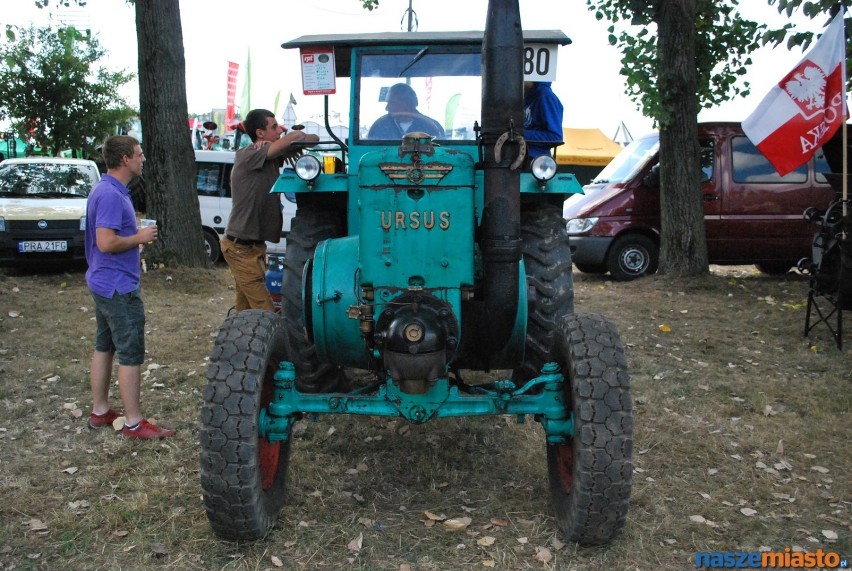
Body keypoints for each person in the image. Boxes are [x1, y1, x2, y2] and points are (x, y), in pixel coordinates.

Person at [84, 135, 176, 440]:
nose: (142, 159)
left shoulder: (107, 188)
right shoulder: (111, 194)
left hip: (104, 281)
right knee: (130, 351)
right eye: (139, 154)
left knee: (104, 345)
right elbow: (106, 242)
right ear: (125, 159)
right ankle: (134, 423)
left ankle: (100, 412)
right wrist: (139, 237)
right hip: (116, 287)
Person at [221, 108, 319, 311]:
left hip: (254, 247)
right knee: (264, 310)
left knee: (245, 308)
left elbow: (313, 139)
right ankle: (270, 340)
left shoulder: (270, 156)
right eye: (274, 127)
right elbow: (295, 137)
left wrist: (294, 140)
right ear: (259, 133)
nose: (279, 132)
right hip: (240, 248)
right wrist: (294, 137)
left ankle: (239, 338)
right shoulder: (250, 154)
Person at [367, 83, 445, 139]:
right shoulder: (379, 127)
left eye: (392, 103)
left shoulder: (432, 127)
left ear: (407, 103)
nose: (387, 108)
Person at [523, 81, 564, 158]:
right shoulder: (527, 96)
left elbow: (555, 136)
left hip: (535, 159)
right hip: (523, 155)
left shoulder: (545, 95)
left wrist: (520, 133)